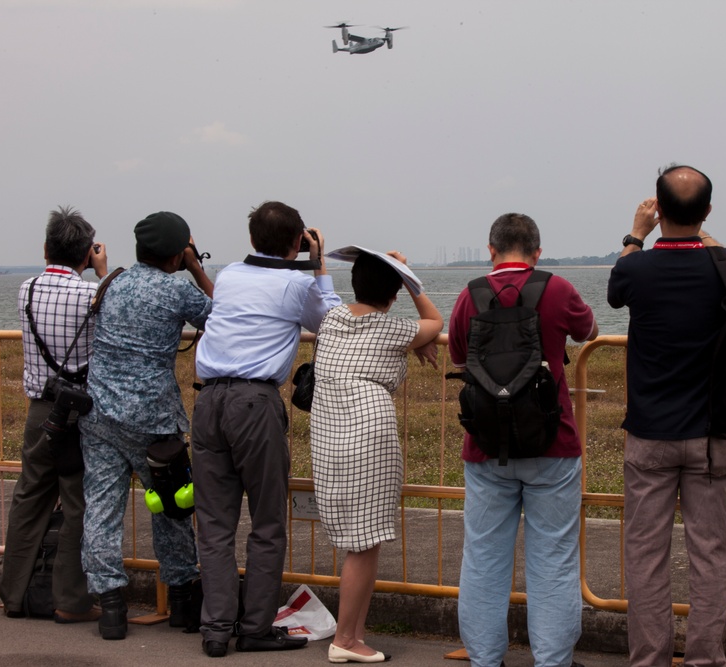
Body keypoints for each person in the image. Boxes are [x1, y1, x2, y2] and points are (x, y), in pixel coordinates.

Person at [607, 165, 726, 667]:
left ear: (659, 210)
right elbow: (724, 268)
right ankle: (706, 658)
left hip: (649, 433)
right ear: (708, 213)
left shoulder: (635, 268)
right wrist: (698, 229)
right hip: (712, 434)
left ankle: (649, 659)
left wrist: (636, 234)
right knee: (712, 555)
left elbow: (615, 291)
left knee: (646, 556)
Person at [192, 201, 342, 657]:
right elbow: (331, 322)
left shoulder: (232, 276)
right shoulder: (296, 284)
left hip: (208, 399)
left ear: (252, 239)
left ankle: (216, 628)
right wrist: (319, 268)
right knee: (267, 521)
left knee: (214, 525)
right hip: (255, 403)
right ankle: (255, 627)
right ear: (298, 242)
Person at [449, 213, 598, 667]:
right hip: (552, 441)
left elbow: (458, 353)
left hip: (486, 445)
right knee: (553, 557)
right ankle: (552, 660)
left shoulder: (469, 294)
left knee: (483, 558)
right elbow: (588, 330)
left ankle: (485, 658)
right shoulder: (556, 288)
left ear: (490, 250)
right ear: (537, 251)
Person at [79, 211, 213, 641]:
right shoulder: (177, 288)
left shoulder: (111, 282)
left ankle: (112, 607)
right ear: (177, 254)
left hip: (99, 413)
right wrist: (196, 267)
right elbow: (221, 316)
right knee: (171, 508)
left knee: (101, 508)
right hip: (153, 420)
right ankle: (180, 599)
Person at [311, 249, 443, 664]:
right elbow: (436, 323)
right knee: (365, 543)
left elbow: (327, 292)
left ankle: (355, 633)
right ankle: (345, 640)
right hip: (370, 435)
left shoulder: (331, 319)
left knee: (357, 539)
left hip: (329, 434)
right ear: (393, 292)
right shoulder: (392, 329)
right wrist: (410, 277)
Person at [0, 206, 108, 622]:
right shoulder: (91, 296)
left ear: (46, 248)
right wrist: (101, 272)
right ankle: (70, 600)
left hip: (40, 409)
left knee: (29, 496)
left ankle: (12, 594)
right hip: (80, 413)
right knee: (77, 501)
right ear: (87, 253)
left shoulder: (25, 289)